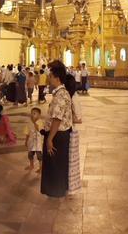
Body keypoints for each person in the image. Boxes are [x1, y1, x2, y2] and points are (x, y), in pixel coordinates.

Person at [41, 60, 72, 197]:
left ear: (57, 78)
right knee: (59, 162)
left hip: (57, 136)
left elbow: (57, 119)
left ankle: (56, 190)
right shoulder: (62, 93)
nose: (49, 78)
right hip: (61, 134)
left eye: (51, 75)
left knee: (55, 164)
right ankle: (59, 188)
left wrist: (50, 139)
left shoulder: (60, 95)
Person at [67, 73, 84, 194]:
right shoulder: (68, 96)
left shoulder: (73, 98)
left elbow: (79, 118)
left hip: (69, 131)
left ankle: (70, 184)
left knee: (70, 161)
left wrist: (66, 118)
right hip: (66, 131)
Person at [25, 107, 43, 173]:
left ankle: (41, 168)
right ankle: (31, 165)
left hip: (38, 143)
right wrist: (26, 140)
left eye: (34, 113)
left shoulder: (40, 122)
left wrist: (34, 122)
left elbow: (39, 130)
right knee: (30, 154)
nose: (32, 115)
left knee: (39, 156)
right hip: (31, 142)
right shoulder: (29, 122)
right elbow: (27, 132)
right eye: (31, 113)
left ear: (39, 115)